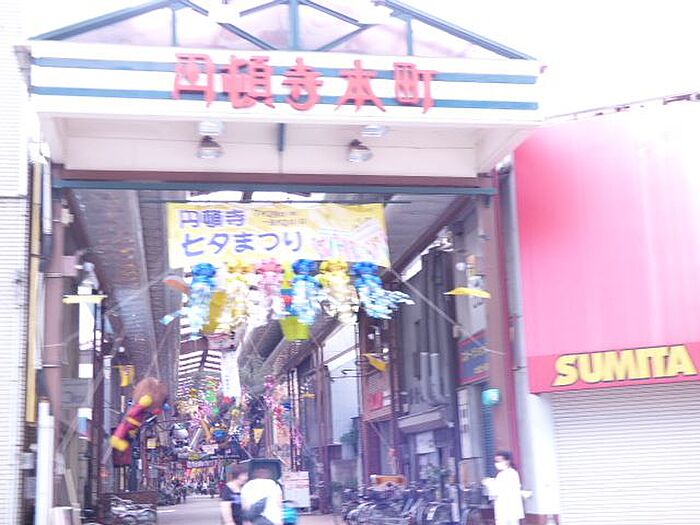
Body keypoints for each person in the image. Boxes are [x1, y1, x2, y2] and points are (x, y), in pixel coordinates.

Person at [482, 451, 525, 525]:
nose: (497, 463)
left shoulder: (510, 473)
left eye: (499, 461)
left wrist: (489, 483)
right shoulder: (502, 474)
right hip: (504, 506)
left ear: (507, 461)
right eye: (495, 461)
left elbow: (500, 489)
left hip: (508, 506)